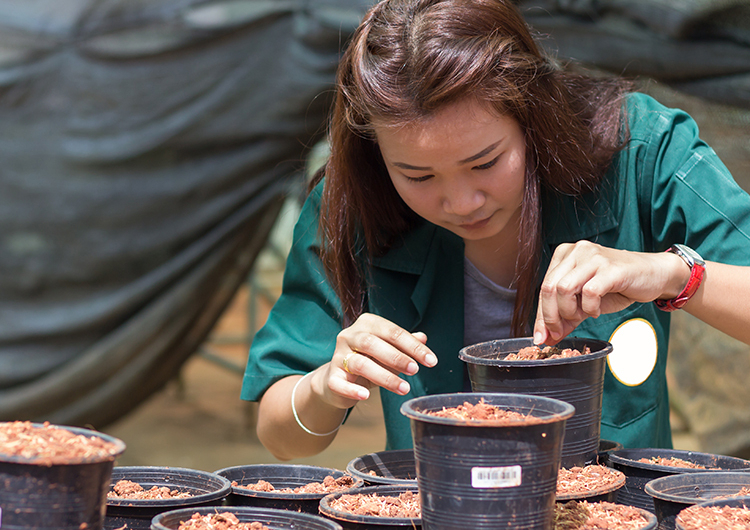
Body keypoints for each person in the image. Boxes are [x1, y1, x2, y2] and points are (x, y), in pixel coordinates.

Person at [241, 0, 750, 460]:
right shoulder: (352, 203)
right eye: (417, 176)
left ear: (533, 115)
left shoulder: (638, 150)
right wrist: (326, 387)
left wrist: (673, 274)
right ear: (376, 154)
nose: (462, 202)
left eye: (485, 162)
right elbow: (279, 435)